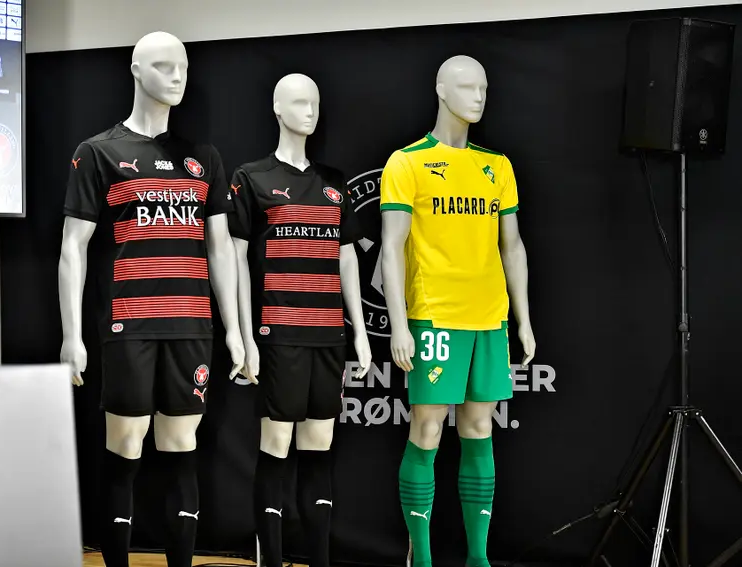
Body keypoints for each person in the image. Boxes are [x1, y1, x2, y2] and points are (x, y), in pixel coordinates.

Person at [58, 32, 244, 567]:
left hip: (192, 325)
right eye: (164, 65)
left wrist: (234, 329)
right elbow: (73, 247)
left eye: (183, 65)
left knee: (182, 444)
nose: (177, 75)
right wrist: (72, 336)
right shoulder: (99, 152)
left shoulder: (203, 158)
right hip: (129, 325)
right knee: (126, 442)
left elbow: (220, 249)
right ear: (136, 71)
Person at [380, 55, 536, 567]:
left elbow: (512, 246)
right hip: (435, 316)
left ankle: (478, 558)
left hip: (488, 317)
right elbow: (391, 246)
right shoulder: (407, 162)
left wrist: (522, 318)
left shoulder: (498, 166)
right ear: (441, 90)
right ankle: (421, 559)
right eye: (467, 87)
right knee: (426, 429)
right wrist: (399, 324)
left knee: (479, 429)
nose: (479, 96)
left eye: (484, 87)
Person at [228, 73, 372, 567]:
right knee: (276, 445)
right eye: (299, 101)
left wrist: (360, 332)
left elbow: (347, 257)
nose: (310, 110)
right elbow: (236, 259)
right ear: (276, 108)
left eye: (315, 102)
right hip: (279, 335)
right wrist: (245, 337)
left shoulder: (334, 182)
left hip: (328, 335)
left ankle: (319, 561)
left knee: (319, 447)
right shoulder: (252, 178)